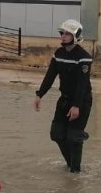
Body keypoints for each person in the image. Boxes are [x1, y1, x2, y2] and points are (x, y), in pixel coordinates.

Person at [34, 19, 93, 173]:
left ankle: (76, 171)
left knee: (74, 137)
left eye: (67, 34)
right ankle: (70, 165)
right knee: (56, 134)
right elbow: (50, 76)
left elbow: (82, 84)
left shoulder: (84, 57)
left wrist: (76, 106)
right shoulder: (58, 54)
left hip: (81, 101)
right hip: (65, 99)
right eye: (62, 33)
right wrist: (40, 94)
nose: (63, 36)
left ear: (76, 36)